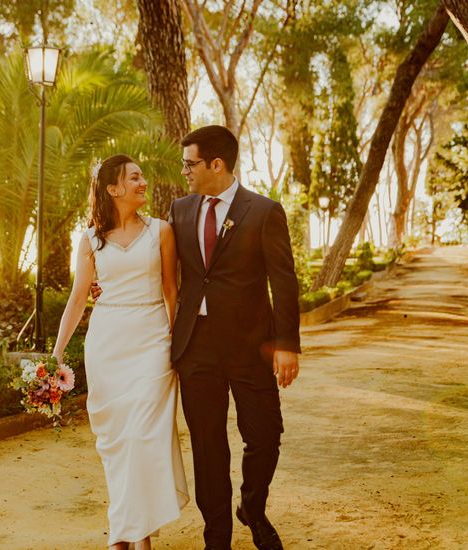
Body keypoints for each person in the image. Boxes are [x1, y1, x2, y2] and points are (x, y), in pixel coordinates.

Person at [170, 125, 301, 550]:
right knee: (208, 448)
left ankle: (252, 505)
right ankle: (217, 539)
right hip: (197, 348)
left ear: (217, 164)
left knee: (265, 435)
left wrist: (286, 344)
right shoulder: (180, 211)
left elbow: (284, 282)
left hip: (251, 346)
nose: (184, 171)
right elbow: (167, 274)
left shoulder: (263, 211)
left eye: (190, 163)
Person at [52, 154, 189, 550]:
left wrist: (177, 346)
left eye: (142, 175)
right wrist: (56, 356)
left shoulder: (161, 231)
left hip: (152, 343)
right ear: (113, 189)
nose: (142, 182)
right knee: (117, 443)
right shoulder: (90, 239)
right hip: (107, 346)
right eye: (133, 177)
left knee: (144, 437)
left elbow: (171, 291)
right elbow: (79, 299)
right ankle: (137, 534)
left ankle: (122, 536)